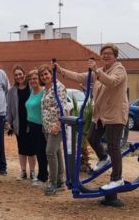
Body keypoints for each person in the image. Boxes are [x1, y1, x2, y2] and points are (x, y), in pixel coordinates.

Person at [53, 43, 128, 190]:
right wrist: (61, 70)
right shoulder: (99, 71)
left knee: (113, 145)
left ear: (115, 56)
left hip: (115, 114)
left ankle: (117, 178)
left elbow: (112, 82)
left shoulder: (120, 69)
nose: (105, 55)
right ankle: (103, 157)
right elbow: (80, 77)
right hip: (100, 114)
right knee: (92, 137)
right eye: (103, 53)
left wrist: (96, 71)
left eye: (109, 53)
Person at [38, 64, 67, 195]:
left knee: (50, 152)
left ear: (51, 74)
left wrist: (58, 124)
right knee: (57, 153)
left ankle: (53, 182)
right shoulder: (46, 89)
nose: (44, 77)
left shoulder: (59, 87)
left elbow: (64, 108)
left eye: (46, 74)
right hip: (47, 126)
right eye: (42, 75)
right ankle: (61, 182)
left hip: (56, 126)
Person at [6, 65, 37, 180]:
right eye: (16, 75)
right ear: (14, 77)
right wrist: (9, 121)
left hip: (32, 122)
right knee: (22, 149)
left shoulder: (32, 88)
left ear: (24, 74)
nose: (18, 76)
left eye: (20, 74)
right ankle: (23, 171)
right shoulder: (11, 91)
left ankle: (33, 172)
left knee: (32, 150)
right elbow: (9, 108)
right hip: (18, 123)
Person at [25, 69, 48, 187]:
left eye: (35, 78)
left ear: (39, 79)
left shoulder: (44, 93)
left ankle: (43, 177)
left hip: (41, 127)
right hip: (32, 126)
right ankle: (42, 175)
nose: (33, 81)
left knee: (42, 152)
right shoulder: (32, 92)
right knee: (38, 152)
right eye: (31, 79)